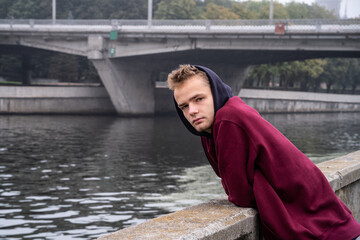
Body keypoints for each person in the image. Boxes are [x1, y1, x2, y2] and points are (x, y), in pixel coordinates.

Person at [167, 64, 360, 240]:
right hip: (332, 224)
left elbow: (239, 195)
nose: (192, 110)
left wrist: (255, 182)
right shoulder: (209, 132)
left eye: (199, 99)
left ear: (215, 93)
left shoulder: (228, 119)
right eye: (184, 106)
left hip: (323, 229)